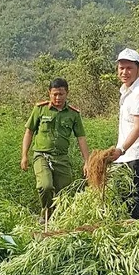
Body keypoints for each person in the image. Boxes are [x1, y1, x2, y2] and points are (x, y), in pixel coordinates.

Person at [21, 78, 89, 220]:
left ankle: (57, 221)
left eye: (61, 94)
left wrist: (87, 161)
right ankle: (45, 215)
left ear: (67, 93)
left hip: (61, 158)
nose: (58, 98)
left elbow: (81, 138)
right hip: (42, 156)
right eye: (55, 94)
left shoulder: (73, 114)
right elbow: (29, 132)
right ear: (49, 93)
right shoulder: (40, 109)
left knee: (64, 193)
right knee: (45, 186)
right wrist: (24, 156)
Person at [109, 48, 139, 219]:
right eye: (121, 68)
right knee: (124, 202)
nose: (124, 72)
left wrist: (120, 149)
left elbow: (138, 127)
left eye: (129, 68)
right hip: (126, 156)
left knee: (136, 204)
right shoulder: (126, 91)